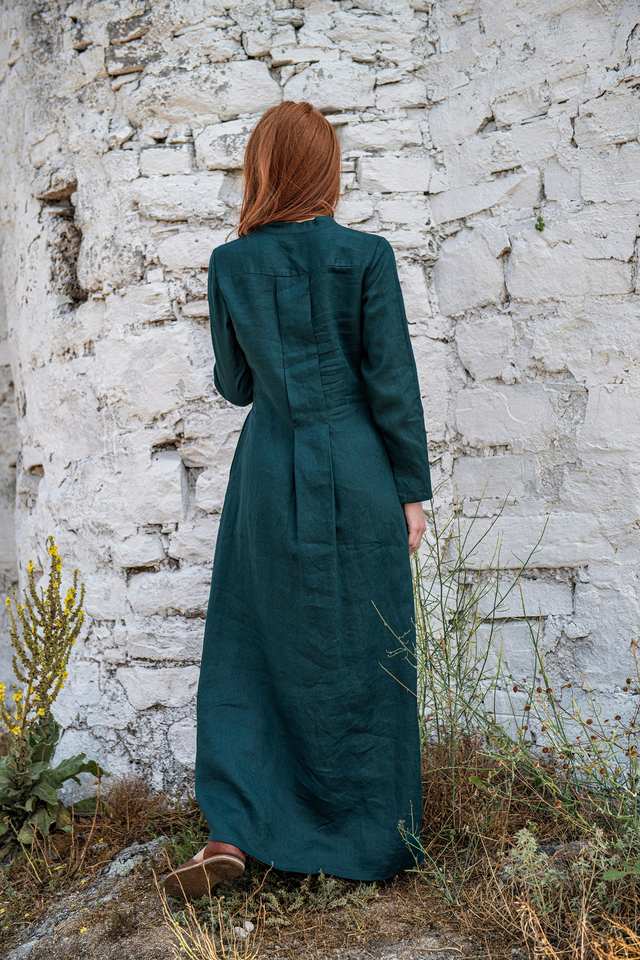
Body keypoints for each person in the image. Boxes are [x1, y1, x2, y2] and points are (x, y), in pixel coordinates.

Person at [161, 100, 433, 900]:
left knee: (252, 642)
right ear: (326, 169)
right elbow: (392, 383)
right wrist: (412, 492)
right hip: (358, 467)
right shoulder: (367, 256)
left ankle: (234, 833)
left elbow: (236, 385)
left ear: (262, 168)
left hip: (269, 467)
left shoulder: (230, 264)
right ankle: (367, 838)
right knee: (364, 643)